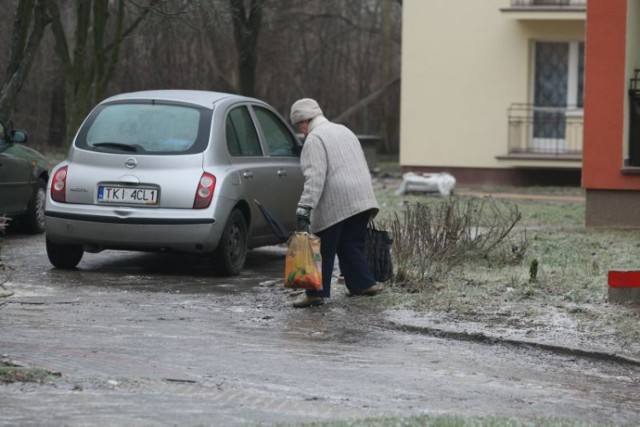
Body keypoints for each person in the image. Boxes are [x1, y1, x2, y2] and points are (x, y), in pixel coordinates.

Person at [290, 98, 380, 308]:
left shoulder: (315, 139)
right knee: (350, 244)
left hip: (337, 200)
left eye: (298, 125)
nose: (300, 131)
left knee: (322, 247)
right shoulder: (344, 131)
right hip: (362, 197)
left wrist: (305, 207)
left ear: (304, 121)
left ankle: (315, 293)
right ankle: (364, 284)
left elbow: (315, 176)